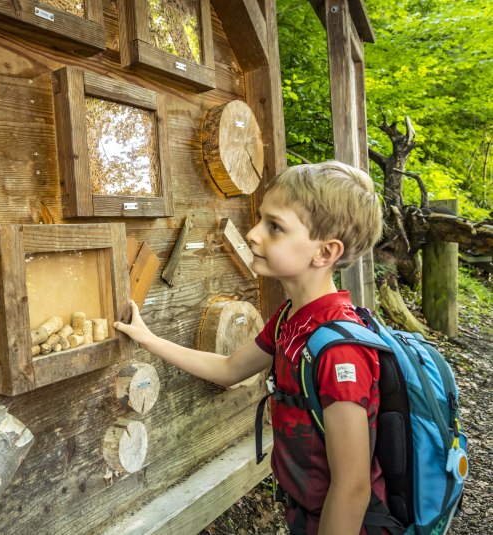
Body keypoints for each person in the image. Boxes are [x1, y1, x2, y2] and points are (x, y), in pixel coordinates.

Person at [114, 161, 387, 535]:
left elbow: (352, 488)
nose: (252, 233)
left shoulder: (339, 351)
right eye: (261, 220)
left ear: (325, 252)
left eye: (275, 226)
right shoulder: (293, 318)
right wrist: (149, 339)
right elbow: (228, 367)